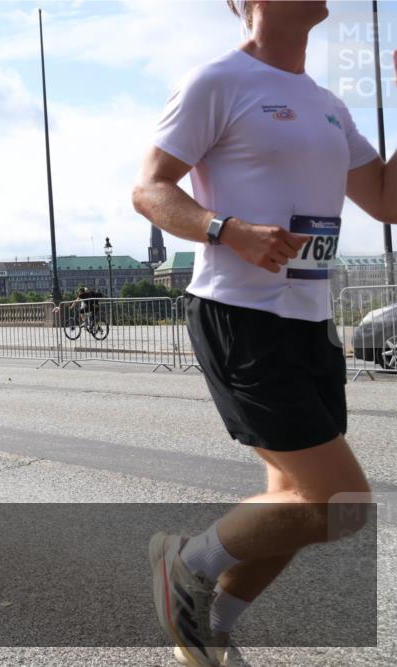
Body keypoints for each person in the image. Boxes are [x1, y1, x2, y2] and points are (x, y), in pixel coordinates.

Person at [132, 2, 387, 664]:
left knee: (290, 501)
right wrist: (228, 229)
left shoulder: (326, 104)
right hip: (240, 314)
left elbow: (388, 198)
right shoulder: (217, 81)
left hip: (309, 323)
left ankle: (209, 624)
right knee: (340, 503)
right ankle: (185, 565)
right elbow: (150, 189)